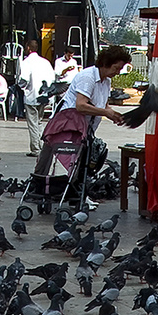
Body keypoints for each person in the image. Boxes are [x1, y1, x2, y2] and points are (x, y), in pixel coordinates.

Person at [33, 44, 131, 206]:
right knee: (58, 156)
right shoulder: (88, 77)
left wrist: (113, 114)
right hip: (67, 125)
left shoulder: (106, 81)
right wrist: (106, 113)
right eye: (116, 68)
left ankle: (75, 193)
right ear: (106, 63)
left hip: (84, 128)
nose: (118, 72)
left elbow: (103, 104)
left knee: (81, 161)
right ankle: (40, 188)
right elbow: (81, 105)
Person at [16, 39, 55, 153]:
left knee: (33, 123)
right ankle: (43, 145)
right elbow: (52, 78)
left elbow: (24, 79)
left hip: (31, 96)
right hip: (43, 96)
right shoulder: (45, 62)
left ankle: (36, 148)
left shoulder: (26, 62)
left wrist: (19, 86)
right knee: (39, 121)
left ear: (28, 48)